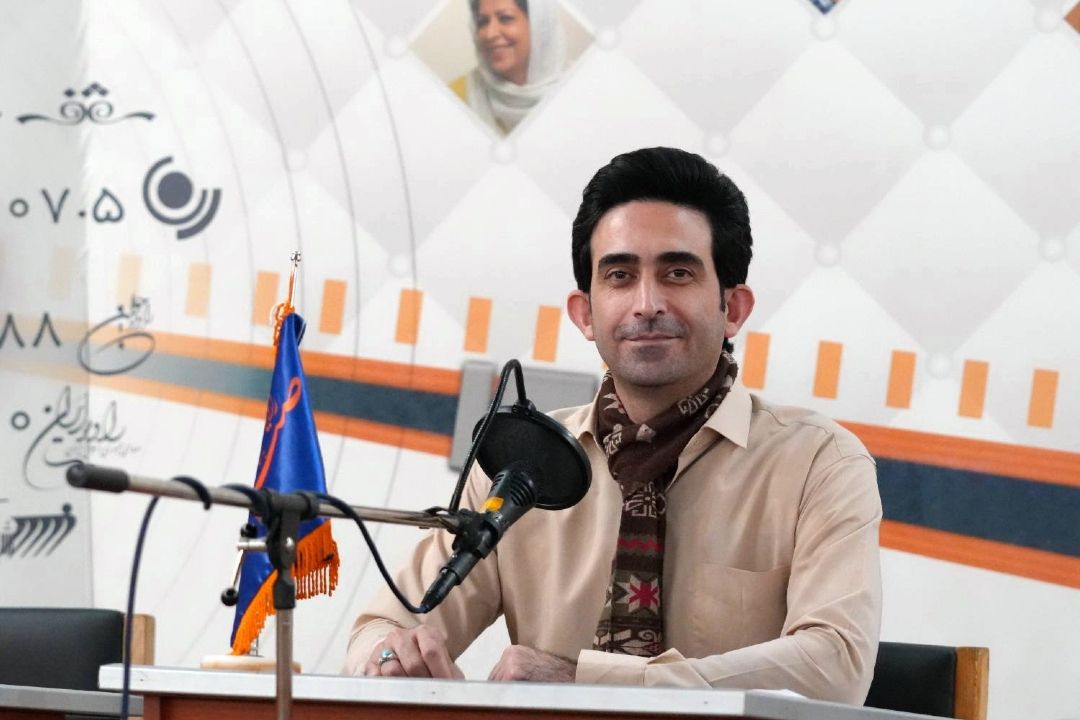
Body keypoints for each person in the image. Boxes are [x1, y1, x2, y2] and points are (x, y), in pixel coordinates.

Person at [344, 147, 882, 704]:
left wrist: (590, 683)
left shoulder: (820, 463)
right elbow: (380, 629)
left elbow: (836, 667)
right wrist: (390, 658)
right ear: (585, 313)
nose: (646, 304)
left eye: (678, 273)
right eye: (620, 276)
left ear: (734, 309)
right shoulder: (523, 466)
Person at [449, 0, 566, 135]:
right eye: (482, 22)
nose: (490, 34)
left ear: (538, 25)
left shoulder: (575, 90)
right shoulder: (455, 97)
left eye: (505, 18)